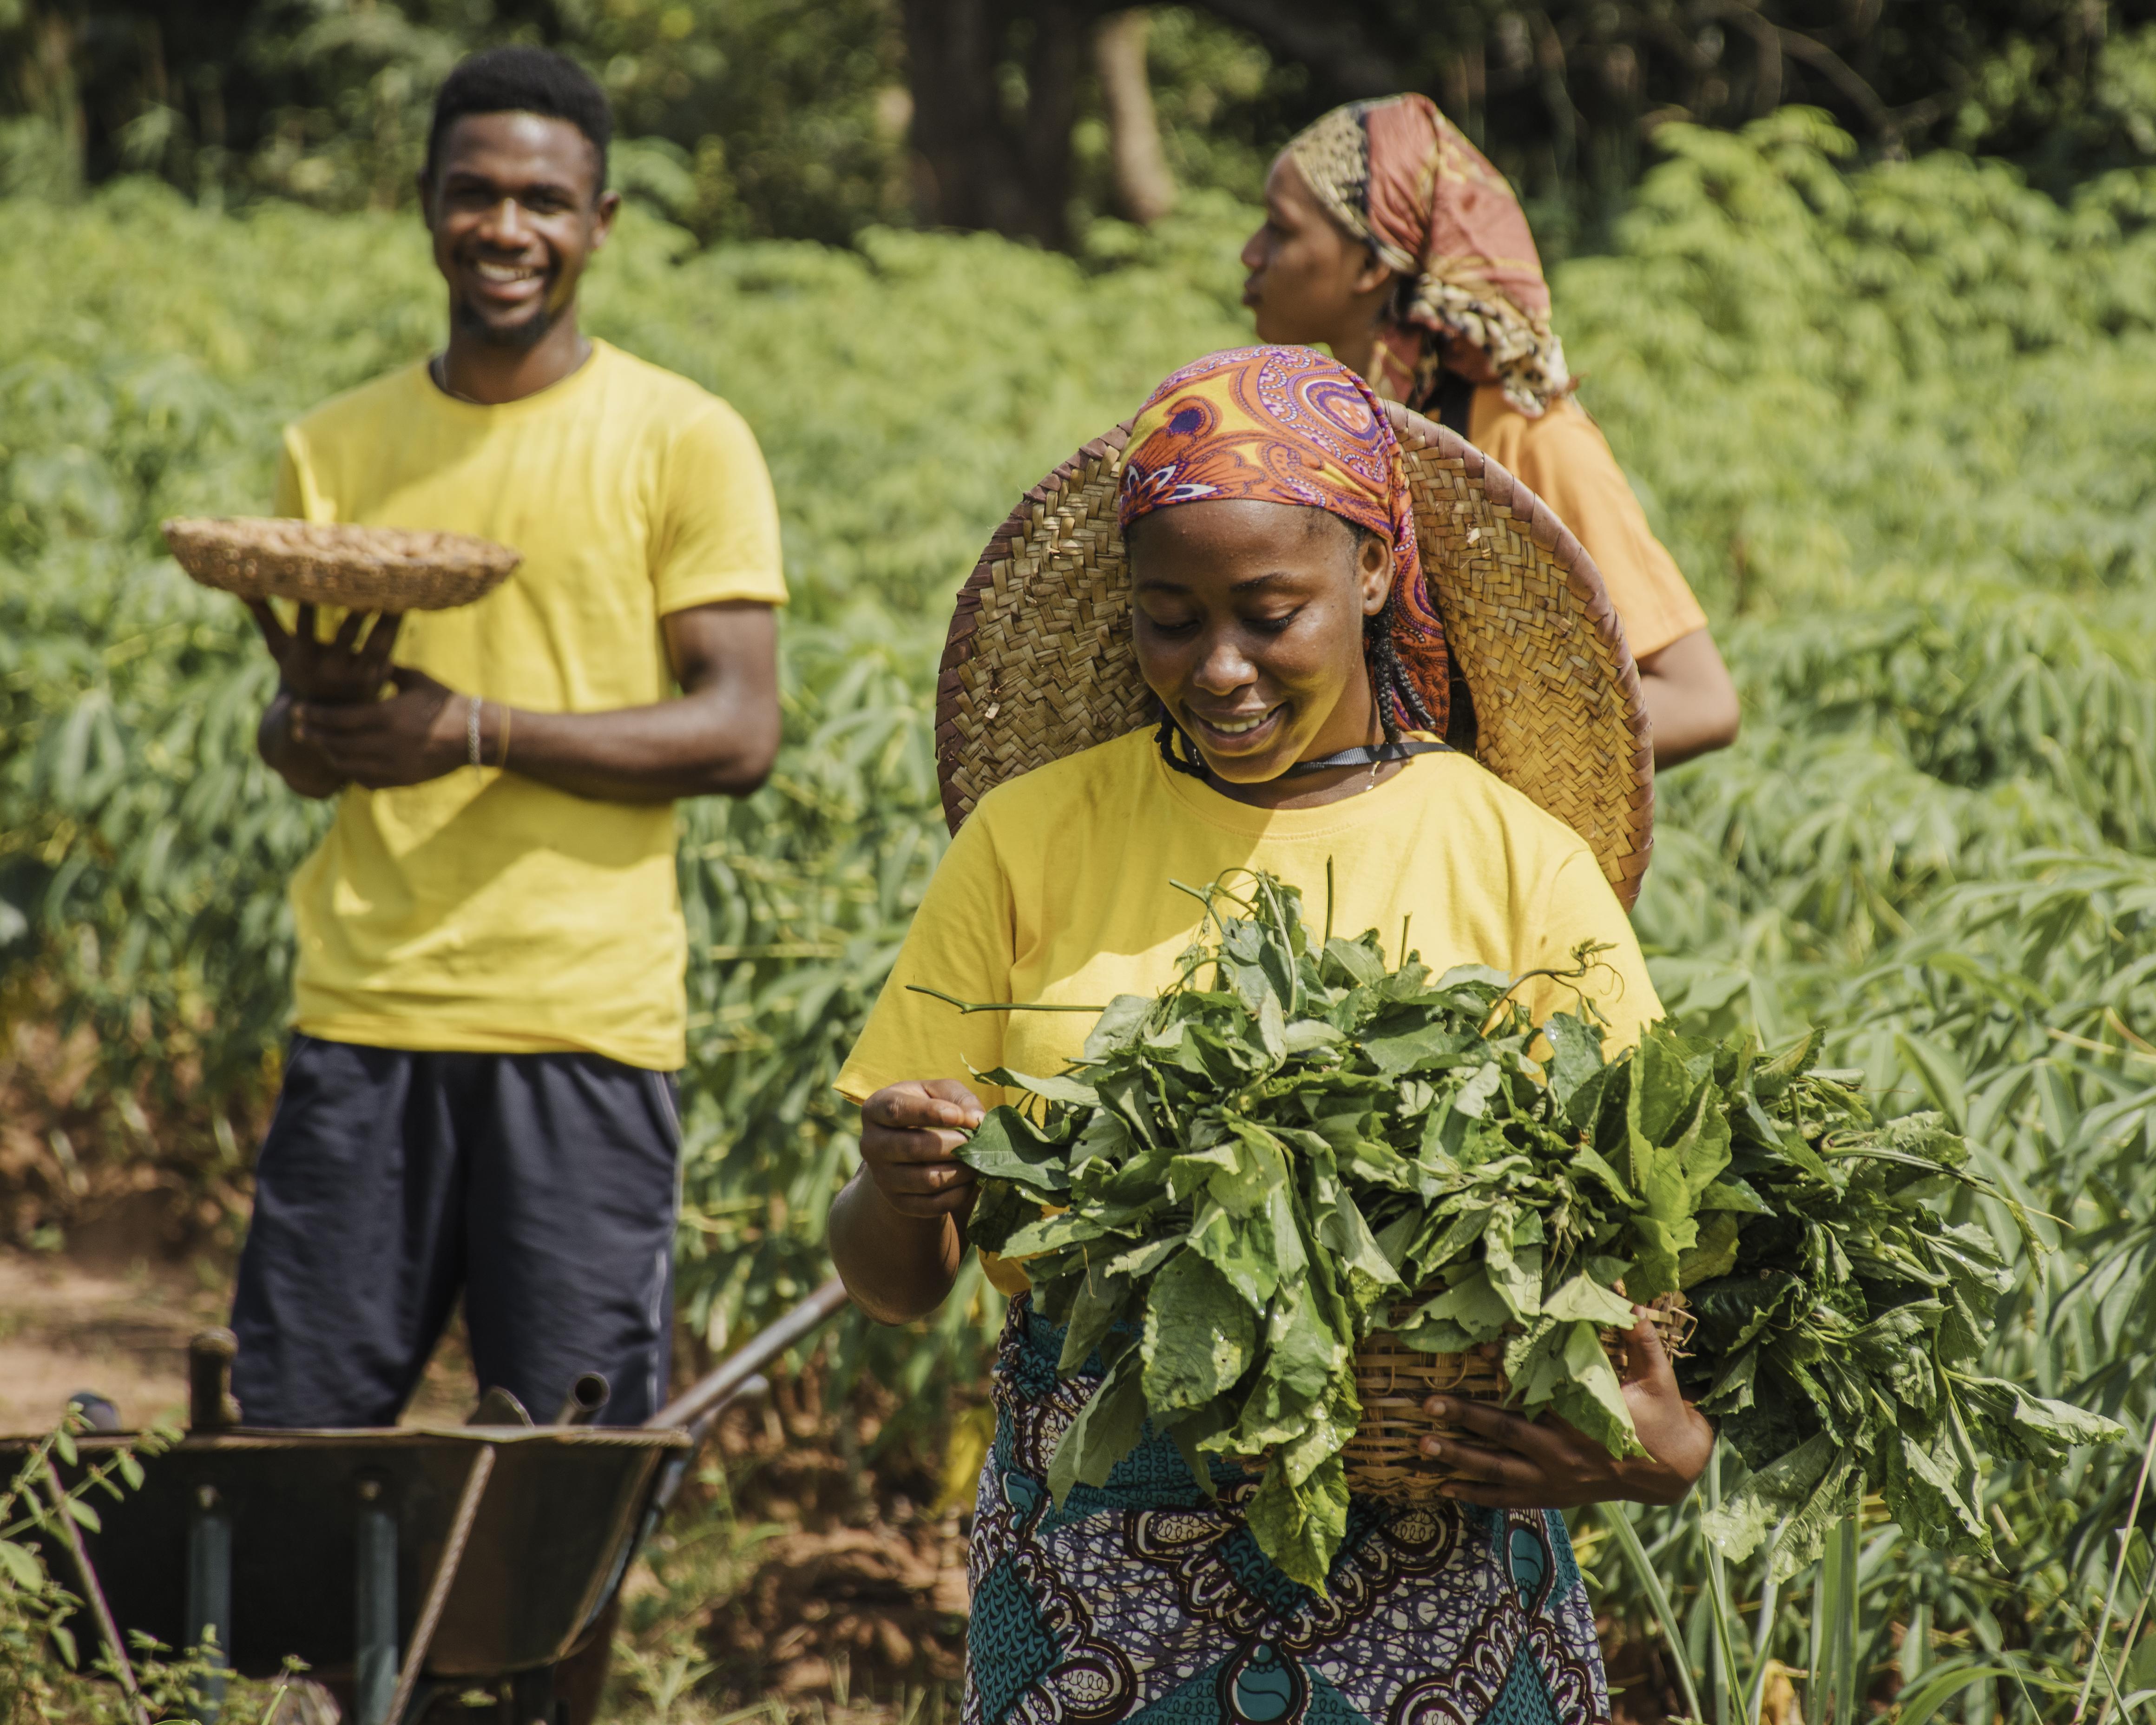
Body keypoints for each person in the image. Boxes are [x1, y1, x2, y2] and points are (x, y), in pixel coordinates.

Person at [829, 347, 1712, 1725]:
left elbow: (1651, 1237)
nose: (1220, 667)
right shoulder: (1030, 840)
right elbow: (895, 1282)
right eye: (1170, 620)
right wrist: (899, 1184)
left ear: (1370, 574)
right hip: (1097, 1547)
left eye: (1268, 613)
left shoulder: (1512, 858)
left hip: (1437, 1555)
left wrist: (1657, 1437)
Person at [231, 46, 785, 1430]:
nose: (507, 229)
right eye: (474, 194)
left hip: (583, 1026)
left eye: (545, 200)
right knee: (294, 1443)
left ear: (600, 223)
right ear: (425, 206)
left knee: (567, 1471)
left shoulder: (682, 440)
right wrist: (312, 723)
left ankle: (517, 1665)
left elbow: (736, 728)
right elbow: (306, 751)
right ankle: (330, 1665)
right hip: (364, 1014)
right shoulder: (338, 447)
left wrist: (474, 729)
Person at [1240, 94, 1740, 768]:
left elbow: (1700, 701)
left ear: (1369, 267)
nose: (1251, 253)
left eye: (1281, 230)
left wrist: (1454, 773)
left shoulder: (1524, 436)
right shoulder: (1323, 428)